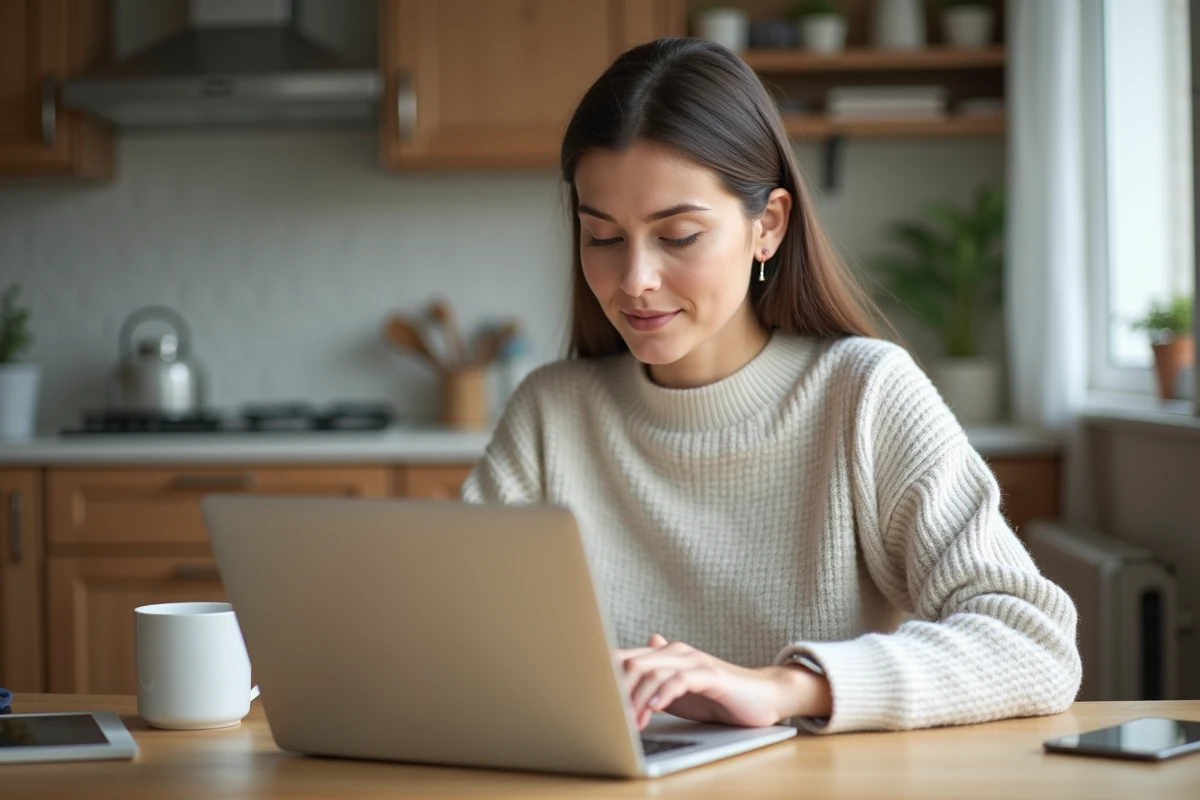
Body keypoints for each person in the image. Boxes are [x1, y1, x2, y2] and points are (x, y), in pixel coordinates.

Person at [462, 37, 1081, 735]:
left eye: (679, 236)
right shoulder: (552, 413)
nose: (634, 280)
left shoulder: (864, 394)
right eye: (602, 238)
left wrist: (787, 687)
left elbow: (1035, 645)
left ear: (769, 226)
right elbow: (451, 640)